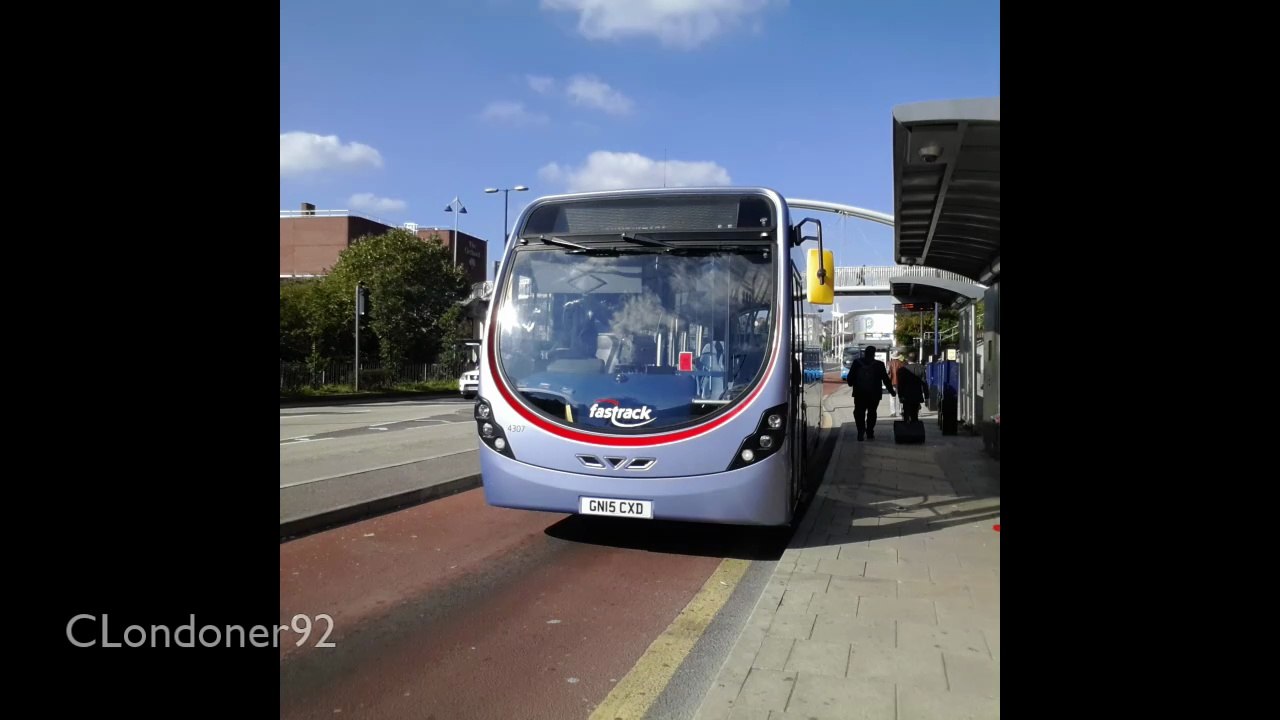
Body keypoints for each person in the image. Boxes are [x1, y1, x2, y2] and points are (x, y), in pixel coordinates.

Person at [846, 345, 895, 441]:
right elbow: (886, 379)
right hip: (874, 394)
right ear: (874, 354)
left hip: (860, 393)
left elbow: (850, 378)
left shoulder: (857, 363)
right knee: (872, 412)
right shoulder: (879, 364)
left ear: (865, 353)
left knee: (859, 412)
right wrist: (891, 391)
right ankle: (869, 432)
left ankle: (860, 431)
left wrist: (851, 383)